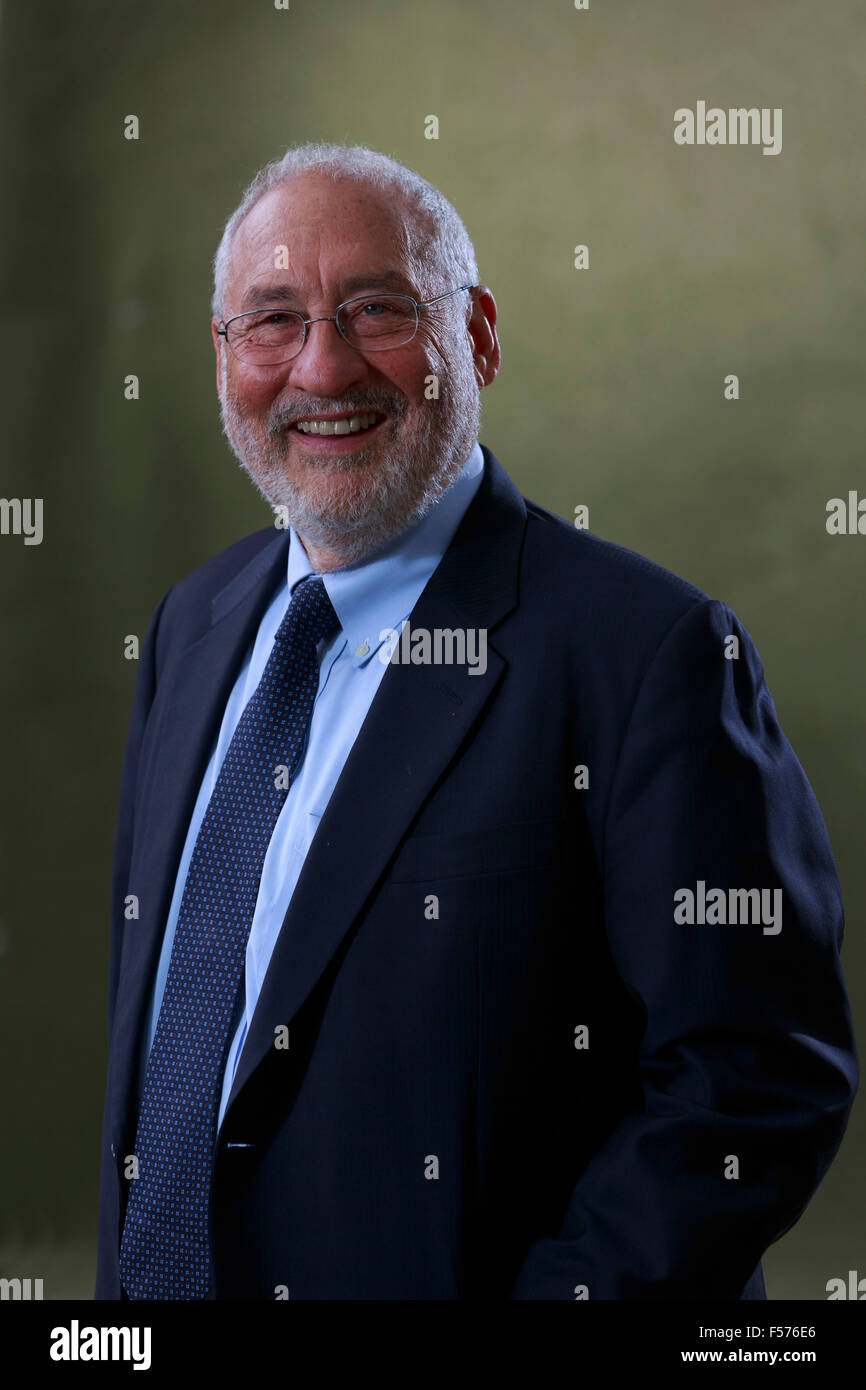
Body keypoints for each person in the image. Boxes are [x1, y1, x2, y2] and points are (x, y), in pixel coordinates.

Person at [95, 142, 858, 1301]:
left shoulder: (646, 655)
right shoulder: (193, 626)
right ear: (221, 356)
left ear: (479, 338)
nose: (323, 366)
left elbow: (752, 1083)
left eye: (376, 309)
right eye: (272, 320)